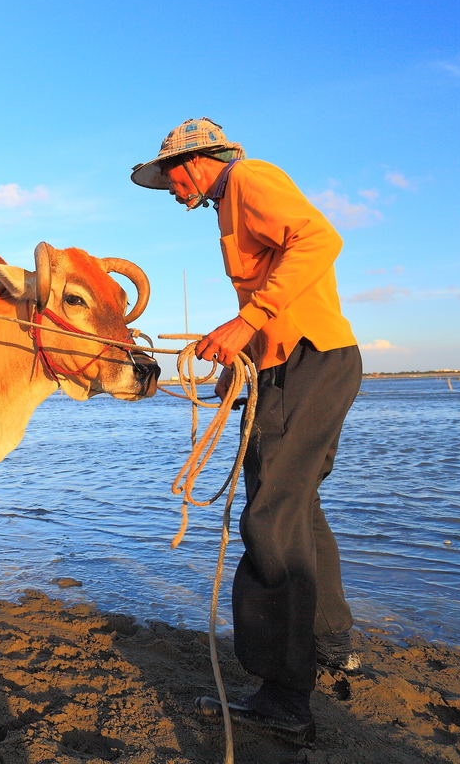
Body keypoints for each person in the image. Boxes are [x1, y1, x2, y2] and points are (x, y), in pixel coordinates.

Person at [131, 118, 363, 747]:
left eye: (171, 180)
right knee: (295, 505)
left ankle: (284, 699)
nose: (171, 192)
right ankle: (331, 644)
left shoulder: (249, 179)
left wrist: (248, 320)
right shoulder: (228, 204)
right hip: (302, 361)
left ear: (196, 162)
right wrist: (244, 350)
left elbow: (319, 238)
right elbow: (278, 286)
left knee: (269, 518)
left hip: (307, 361)